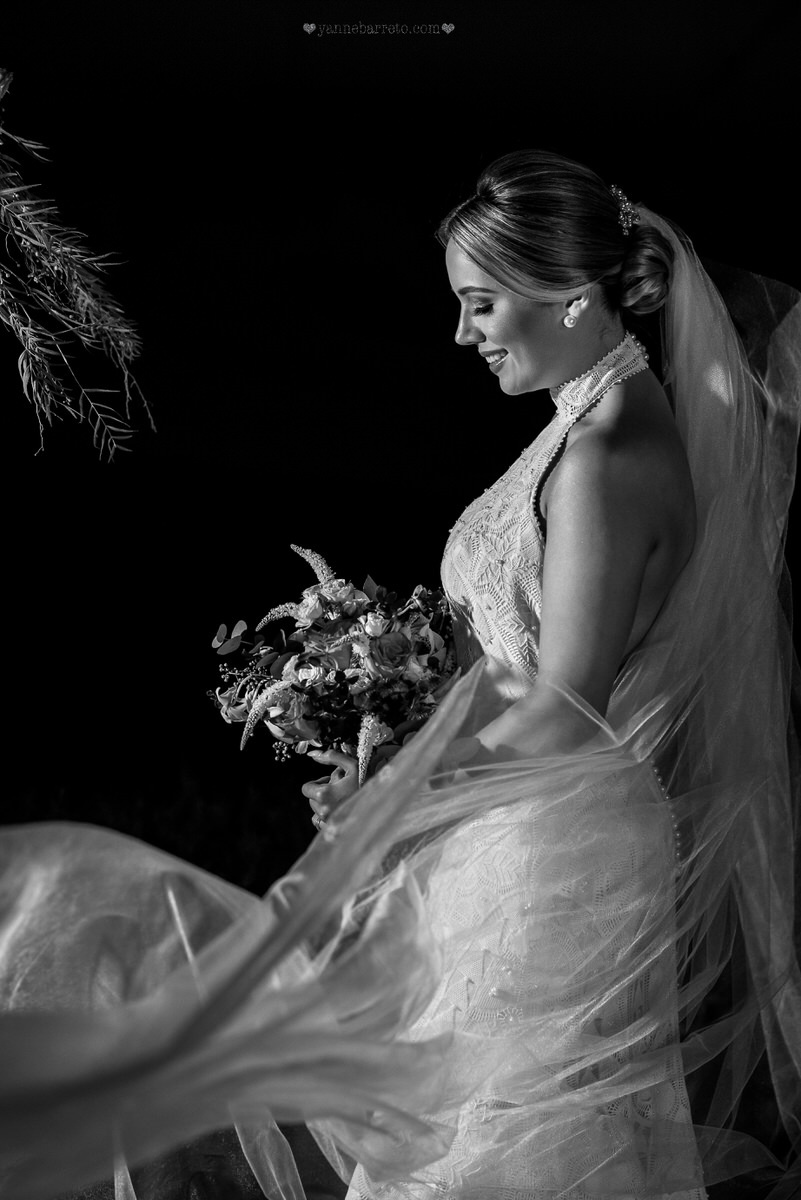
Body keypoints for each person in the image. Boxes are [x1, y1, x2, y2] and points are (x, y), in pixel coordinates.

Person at [1, 151, 799, 1200]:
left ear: (570, 295)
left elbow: (564, 707)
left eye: (481, 304)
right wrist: (399, 730)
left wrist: (400, 788)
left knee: (506, 1149)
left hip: (554, 841)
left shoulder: (607, 456)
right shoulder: (588, 428)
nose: (463, 334)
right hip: (526, 822)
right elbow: (520, 679)